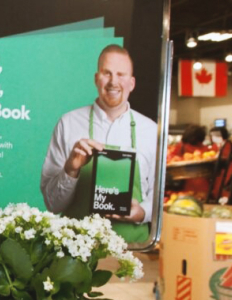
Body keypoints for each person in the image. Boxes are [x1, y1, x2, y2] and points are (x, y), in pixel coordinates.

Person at [40, 44, 157, 243]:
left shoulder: (152, 131)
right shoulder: (68, 123)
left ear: (132, 82)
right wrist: (71, 169)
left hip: (132, 251)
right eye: (107, 73)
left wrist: (140, 212)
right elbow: (53, 205)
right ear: (96, 79)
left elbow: (158, 198)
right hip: (76, 252)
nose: (113, 82)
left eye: (121, 74)